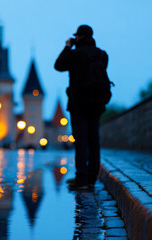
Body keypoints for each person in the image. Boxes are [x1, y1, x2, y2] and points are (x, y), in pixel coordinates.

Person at [54, 25, 109, 190]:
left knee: (81, 141)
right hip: (98, 102)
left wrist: (67, 46)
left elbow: (58, 66)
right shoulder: (102, 55)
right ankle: (91, 178)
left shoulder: (75, 54)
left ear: (78, 37)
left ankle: (81, 179)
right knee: (94, 140)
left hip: (79, 103)